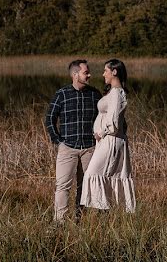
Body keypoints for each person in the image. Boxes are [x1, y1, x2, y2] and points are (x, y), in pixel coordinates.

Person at [44, 59, 102, 222]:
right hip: (67, 148)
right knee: (63, 186)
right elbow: (50, 118)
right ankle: (59, 222)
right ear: (75, 75)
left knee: (85, 187)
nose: (89, 75)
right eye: (86, 73)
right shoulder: (62, 94)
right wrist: (58, 140)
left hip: (89, 149)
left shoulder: (95, 94)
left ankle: (80, 220)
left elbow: (102, 119)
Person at [80, 58, 136, 213]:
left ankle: (103, 213)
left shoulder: (117, 93)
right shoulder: (112, 92)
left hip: (110, 140)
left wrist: (101, 132)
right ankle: (103, 214)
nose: (103, 73)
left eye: (106, 70)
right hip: (105, 141)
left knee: (93, 173)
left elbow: (114, 123)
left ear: (114, 71)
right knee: (101, 175)